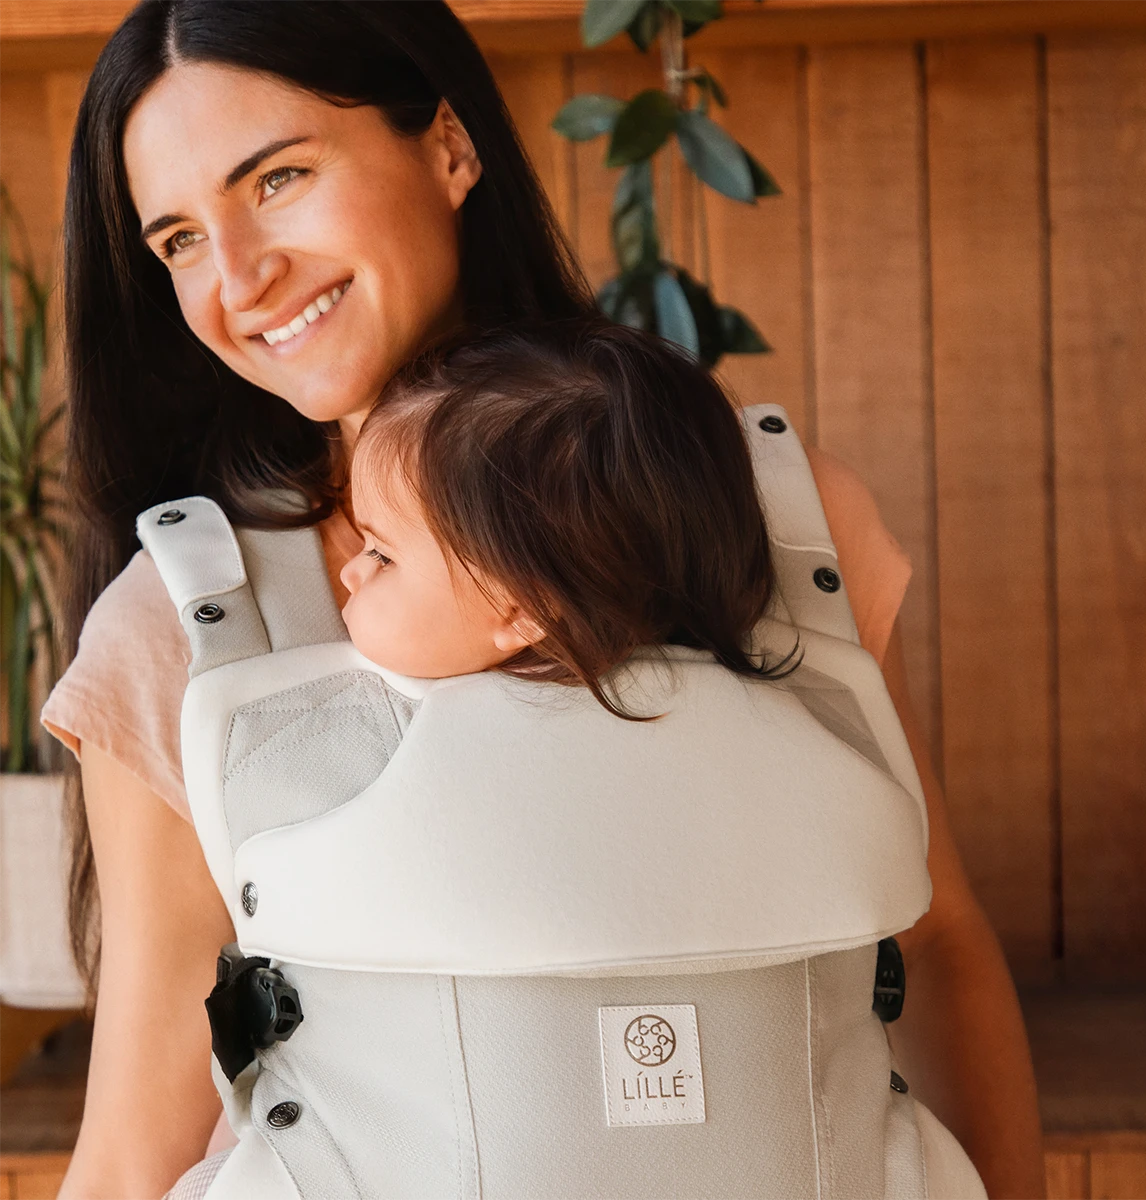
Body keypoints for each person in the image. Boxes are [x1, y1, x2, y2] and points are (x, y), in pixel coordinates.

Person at [40, 1, 1044, 1197]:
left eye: (279, 179)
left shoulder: (775, 518)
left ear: (452, 148)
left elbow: (931, 946)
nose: (239, 279)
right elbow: (141, 1132)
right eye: (179, 241)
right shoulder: (185, 627)